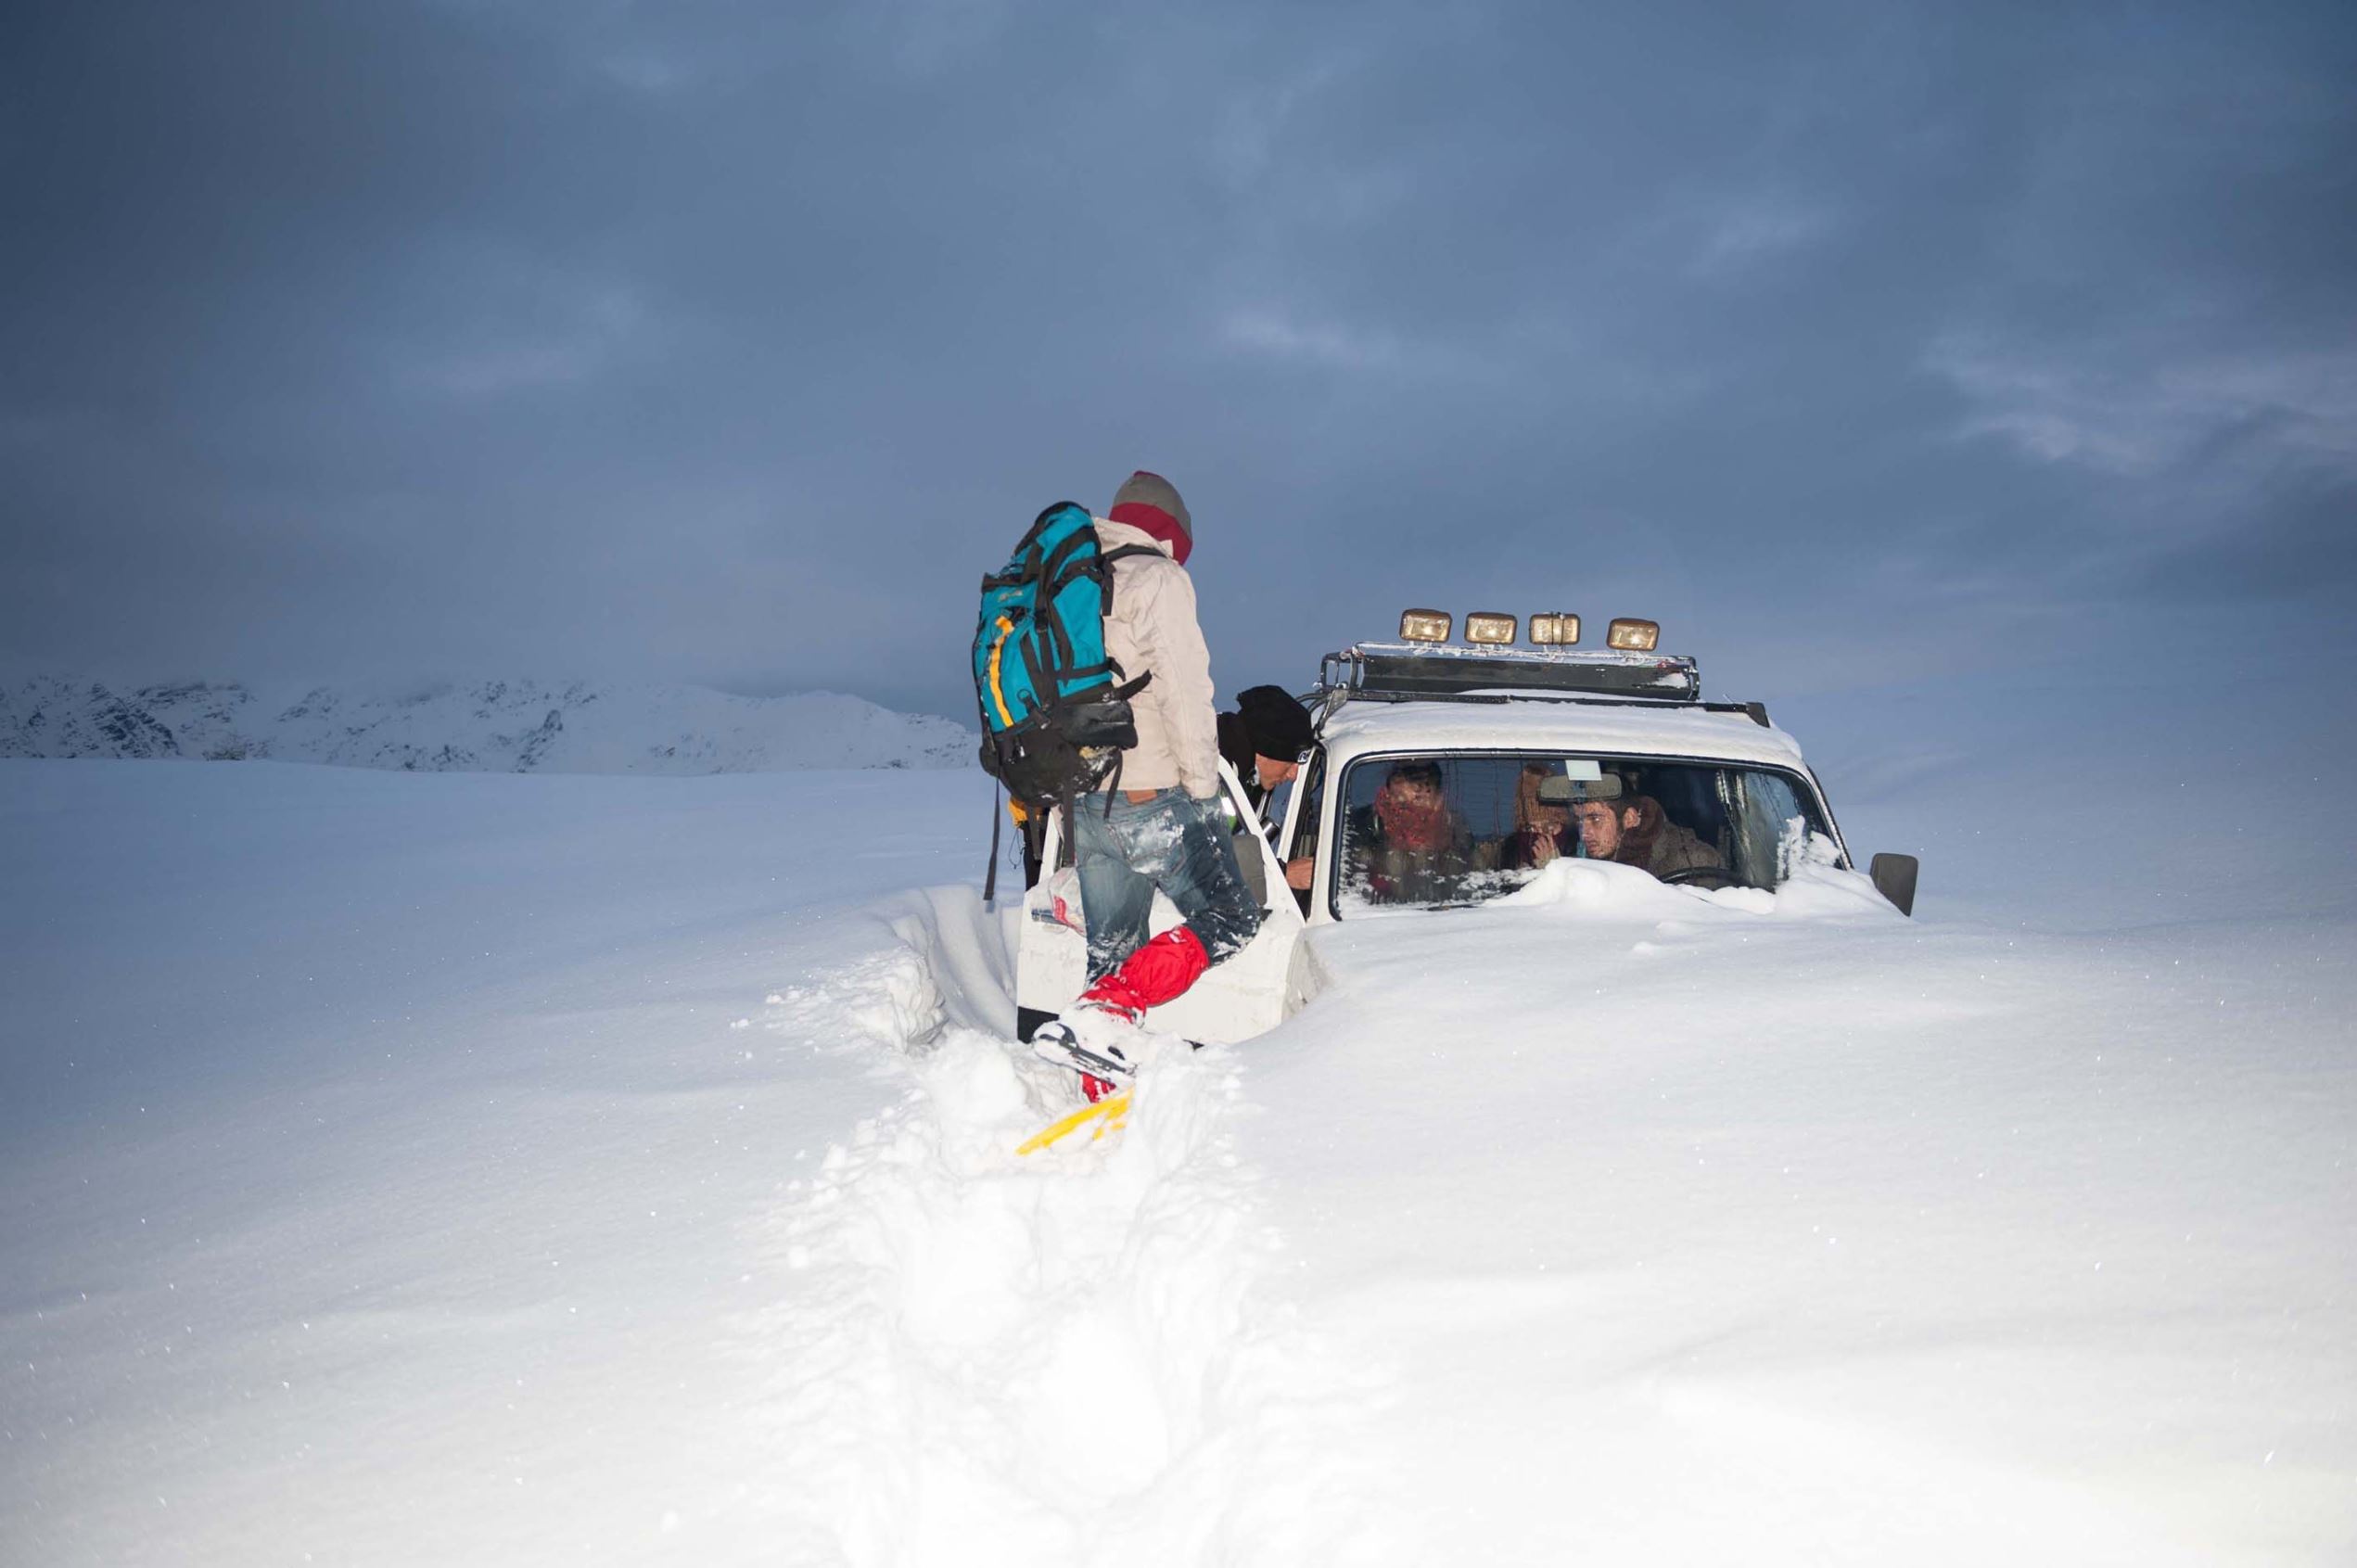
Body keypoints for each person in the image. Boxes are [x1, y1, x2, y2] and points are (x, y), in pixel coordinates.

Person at [1030, 472, 1262, 1090]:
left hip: (1085, 804)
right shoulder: (1159, 580)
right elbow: (1188, 694)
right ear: (1169, 535)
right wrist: (1203, 788)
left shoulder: (1070, 583)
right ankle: (1114, 1003)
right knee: (1234, 915)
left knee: (1110, 947)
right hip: (1152, 796)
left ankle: (1096, 1086)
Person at [1216, 683, 1317, 901]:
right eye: (1290, 762)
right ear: (1264, 751)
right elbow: (1195, 862)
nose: (1293, 775)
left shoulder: (1243, 775)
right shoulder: (1212, 777)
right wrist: (1283, 875)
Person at [1347, 759, 1480, 904]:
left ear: (1436, 794)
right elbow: (1347, 889)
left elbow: (1476, 882)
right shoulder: (1361, 828)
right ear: (1390, 788)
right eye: (1402, 803)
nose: (1419, 792)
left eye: (1426, 786)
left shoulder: (1455, 831)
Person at [1568, 776, 1725, 879]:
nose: (1584, 834)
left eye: (1595, 819)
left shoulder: (1693, 862)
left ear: (1629, 818)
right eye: (1579, 821)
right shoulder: (1580, 861)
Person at [1499, 765, 1576, 871]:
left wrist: (1555, 869)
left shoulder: (1580, 852)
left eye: (1549, 827)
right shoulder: (1512, 853)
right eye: (1530, 828)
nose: (1541, 837)